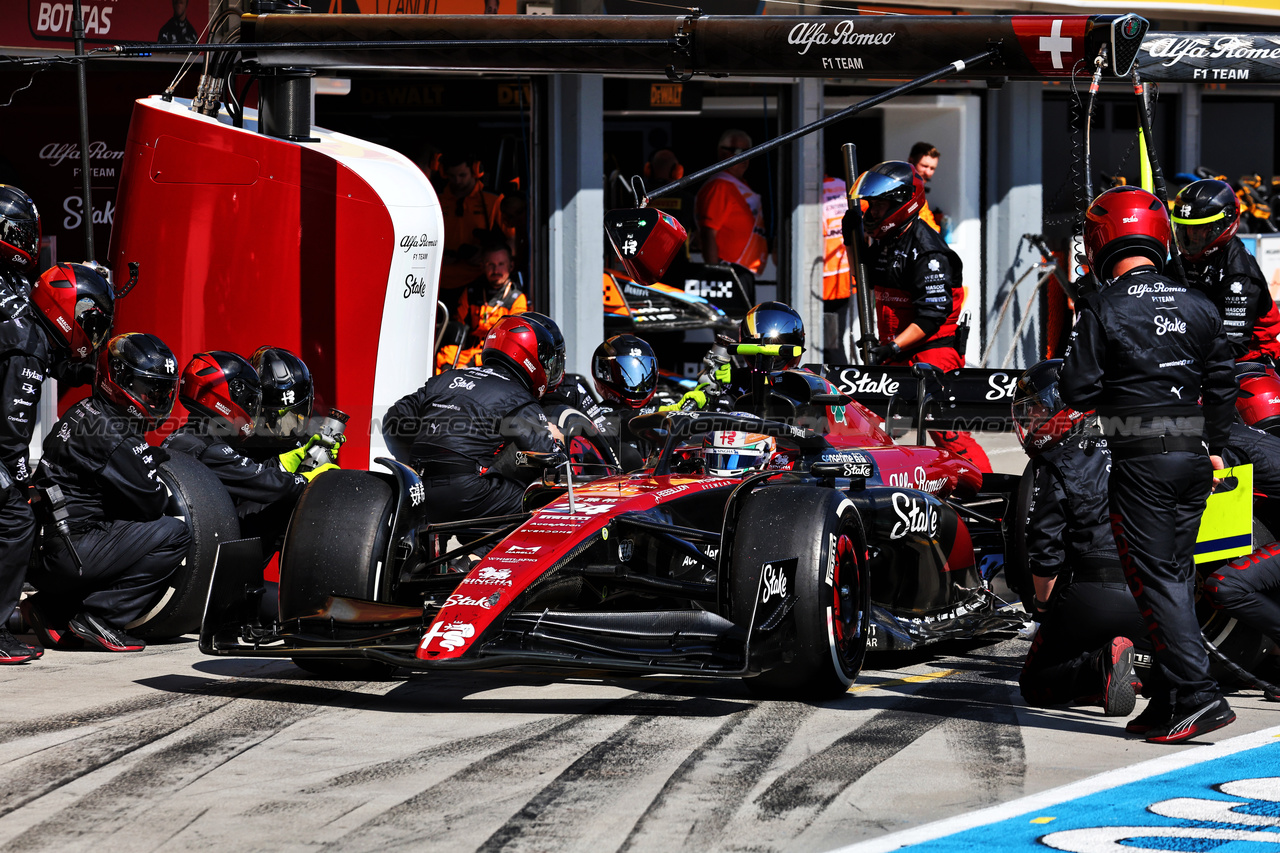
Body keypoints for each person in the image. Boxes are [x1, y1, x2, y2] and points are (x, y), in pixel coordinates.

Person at [1061, 185, 1238, 743]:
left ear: (1099, 241)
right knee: (1177, 577)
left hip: (1142, 461)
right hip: (1194, 460)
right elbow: (1224, 388)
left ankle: (1199, 695)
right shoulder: (1198, 303)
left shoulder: (1103, 304)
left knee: (1153, 577)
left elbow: (1075, 388)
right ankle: (1169, 697)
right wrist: (1219, 450)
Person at [25, 333, 190, 653]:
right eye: (149, 389)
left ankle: (51, 609)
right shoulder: (119, 435)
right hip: (68, 554)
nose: (156, 399)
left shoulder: (84, 408)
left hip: (39, 550)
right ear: (121, 381)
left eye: (162, 390)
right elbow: (152, 504)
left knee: (105, 521)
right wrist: (149, 463)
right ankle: (102, 617)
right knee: (174, 533)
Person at [1012, 360, 1148, 716]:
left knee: (1035, 683)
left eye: (1038, 409)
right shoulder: (1133, 448)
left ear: (1063, 405)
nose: (1032, 420)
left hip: (1093, 593)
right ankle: (1133, 670)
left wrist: (1043, 609)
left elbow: (1044, 549)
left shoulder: (1054, 460)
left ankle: (1099, 666)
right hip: (1149, 598)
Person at [2, 257, 116, 662]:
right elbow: (9, 436)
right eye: (92, 321)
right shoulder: (27, 351)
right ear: (67, 310)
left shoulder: (28, 329)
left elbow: (64, 367)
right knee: (17, 518)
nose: (95, 333)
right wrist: (24, 484)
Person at [850, 160, 992, 473]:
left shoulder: (928, 252)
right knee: (861, 418)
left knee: (942, 426)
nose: (871, 212)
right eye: (869, 205)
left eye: (879, 206)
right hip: (895, 349)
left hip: (932, 349)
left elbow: (932, 316)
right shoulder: (885, 242)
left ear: (902, 205)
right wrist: (852, 238)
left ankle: (988, 495)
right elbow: (863, 277)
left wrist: (891, 349)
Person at [383, 314, 567, 522]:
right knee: (544, 498)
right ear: (530, 356)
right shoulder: (519, 397)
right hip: (466, 492)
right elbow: (548, 459)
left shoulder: (446, 377)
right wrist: (557, 440)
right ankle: (480, 554)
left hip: (416, 487)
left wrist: (414, 466)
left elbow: (392, 421)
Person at [163, 351, 329, 566]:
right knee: (288, 506)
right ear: (223, 399)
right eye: (249, 401)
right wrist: (309, 482)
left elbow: (247, 473)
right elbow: (271, 486)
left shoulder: (190, 436)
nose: (252, 410)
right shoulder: (209, 448)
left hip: (194, 536)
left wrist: (288, 460)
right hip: (202, 550)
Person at [1173, 179, 1280, 363]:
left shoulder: (1239, 275)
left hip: (1251, 357)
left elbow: (1232, 345)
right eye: (1186, 230)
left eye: (1199, 230)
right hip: (1200, 346)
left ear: (1221, 225)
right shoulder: (1189, 259)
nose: (1191, 238)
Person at [663, 301, 804, 414]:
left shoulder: (807, 384)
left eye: (776, 348)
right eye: (756, 346)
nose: (767, 356)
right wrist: (701, 402)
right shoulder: (730, 381)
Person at [436, 244, 528, 373]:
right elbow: (457, 333)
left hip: (494, 360)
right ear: (482, 265)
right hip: (465, 355)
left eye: (501, 264)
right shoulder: (471, 293)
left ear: (510, 266)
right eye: (491, 264)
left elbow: (510, 346)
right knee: (440, 371)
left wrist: (472, 364)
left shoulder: (517, 299)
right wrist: (447, 366)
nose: (496, 270)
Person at [695, 129, 768, 284]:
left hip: (742, 271)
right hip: (726, 273)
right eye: (738, 151)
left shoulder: (739, 184)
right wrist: (714, 273)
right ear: (722, 153)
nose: (745, 157)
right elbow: (708, 233)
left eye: (749, 152)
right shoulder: (720, 185)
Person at [438, 152, 508, 303]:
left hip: (477, 283)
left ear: (476, 171)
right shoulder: (435, 197)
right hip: (438, 281)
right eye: (452, 176)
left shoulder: (493, 200)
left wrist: (486, 255)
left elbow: (510, 241)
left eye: (462, 175)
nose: (457, 181)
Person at [822, 173, 853, 363]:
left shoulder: (806, 191)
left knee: (829, 344)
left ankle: (836, 387)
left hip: (823, 282)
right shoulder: (844, 186)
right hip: (842, 277)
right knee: (832, 342)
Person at [907, 142, 941, 234]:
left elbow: (933, 228)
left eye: (932, 168)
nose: (928, 173)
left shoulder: (920, 196)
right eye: (924, 166)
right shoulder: (896, 188)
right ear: (911, 161)